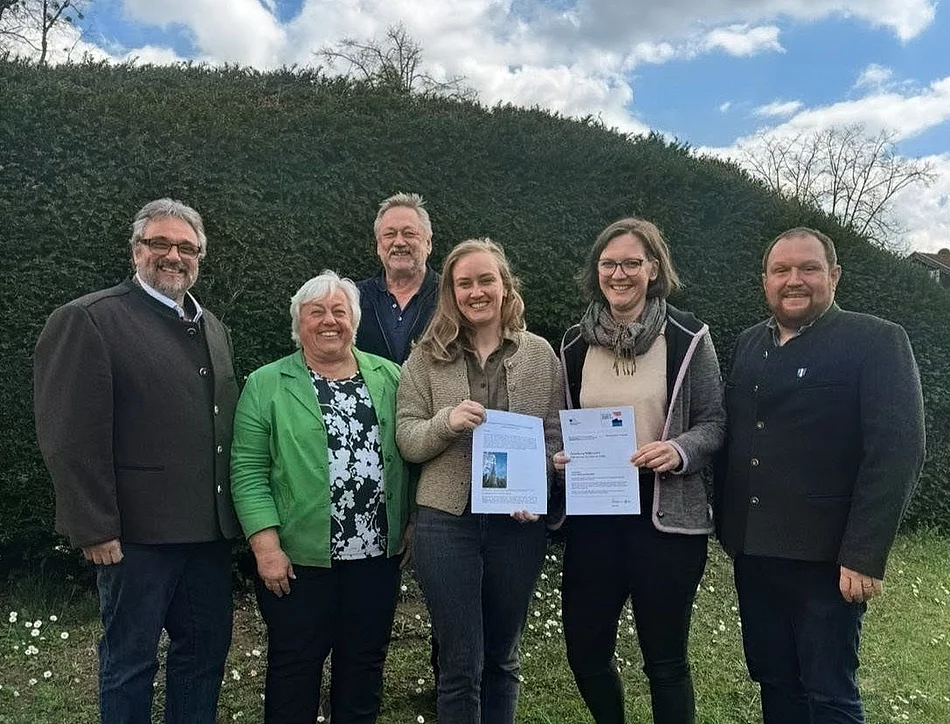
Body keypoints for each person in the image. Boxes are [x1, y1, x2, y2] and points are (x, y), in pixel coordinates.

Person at [33, 198, 239, 724]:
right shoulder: (90, 319)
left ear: (199, 257)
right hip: (135, 537)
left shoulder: (214, 328)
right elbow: (68, 436)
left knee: (204, 657)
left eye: (187, 247)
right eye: (160, 243)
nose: (174, 256)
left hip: (208, 536)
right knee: (129, 662)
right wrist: (94, 526)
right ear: (136, 251)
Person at [717, 227, 925, 724]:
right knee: (774, 679)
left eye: (808, 268)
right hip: (754, 552)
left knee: (829, 692)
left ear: (833, 275)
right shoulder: (748, 343)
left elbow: (897, 452)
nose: (794, 280)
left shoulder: (875, 340)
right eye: (780, 270)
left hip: (827, 561)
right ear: (765, 281)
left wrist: (863, 555)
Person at [552, 217, 726, 724]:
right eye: (608, 264)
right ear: (596, 271)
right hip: (594, 514)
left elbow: (715, 421)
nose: (619, 274)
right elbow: (561, 422)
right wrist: (560, 458)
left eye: (631, 263)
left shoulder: (689, 336)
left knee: (665, 660)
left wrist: (679, 449)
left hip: (663, 517)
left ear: (653, 269)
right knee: (585, 652)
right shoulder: (574, 344)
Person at [230, 271, 412, 724]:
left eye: (339, 311)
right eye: (317, 312)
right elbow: (248, 471)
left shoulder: (390, 376)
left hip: (376, 558)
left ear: (355, 320)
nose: (329, 321)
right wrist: (266, 548)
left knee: (364, 667)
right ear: (299, 324)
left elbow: (412, 453)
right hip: (298, 561)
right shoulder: (266, 384)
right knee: (294, 668)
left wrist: (410, 521)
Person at [395, 238, 564, 724]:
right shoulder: (426, 357)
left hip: (518, 524)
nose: (476, 292)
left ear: (505, 285)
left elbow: (554, 434)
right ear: (451, 293)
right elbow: (407, 438)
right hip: (447, 523)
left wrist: (542, 479)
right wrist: (445, 422)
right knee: (459, 663)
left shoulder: (540, 355)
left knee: (503, 658)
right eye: (463, 283)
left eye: (486, 280)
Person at [356, 191, 439, 364]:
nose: (399, 242)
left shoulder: (451, 296)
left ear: (428, 244)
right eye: (389, 234)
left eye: (409, 233)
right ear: (378, 246)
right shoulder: (354, 297)